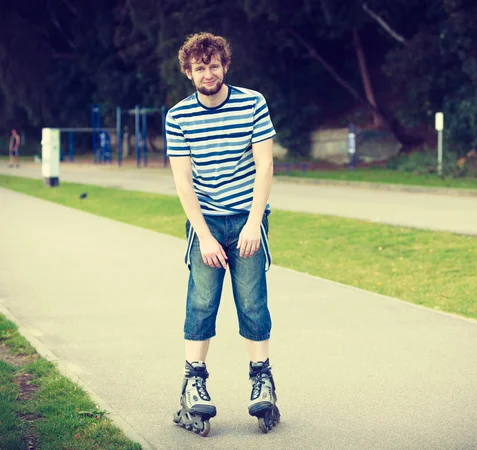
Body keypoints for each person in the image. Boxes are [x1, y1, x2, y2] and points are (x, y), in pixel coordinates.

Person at [166, 32, 280, 436]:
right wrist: (205, 236)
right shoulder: (178, 117)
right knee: (201, 302)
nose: (208, 72)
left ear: (224, 66)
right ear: (189, 72)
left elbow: (264, 166)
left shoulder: (252, 102)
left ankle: (262, 380)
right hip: (206, 224)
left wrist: (253, 222)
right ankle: (193, 384)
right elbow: (184, 184)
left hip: (248, 218)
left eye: (214, 65)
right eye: (200, 67)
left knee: (252, 301)